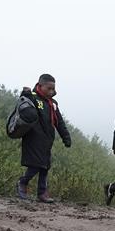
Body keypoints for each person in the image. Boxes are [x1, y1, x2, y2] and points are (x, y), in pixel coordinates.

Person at [15, 75, 72, 203]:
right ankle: (22, 182)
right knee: (36, 165)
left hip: (47, 139)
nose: (52, 91)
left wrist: (66, 137)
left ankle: (42, 192)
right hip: (33, 137)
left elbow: (60, 122)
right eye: (49, 88)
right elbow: (24, 109)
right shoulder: (33, 98)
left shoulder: (53, 104)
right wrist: (25, 94)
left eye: (53, 89)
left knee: (45, 166)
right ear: (40, 86)